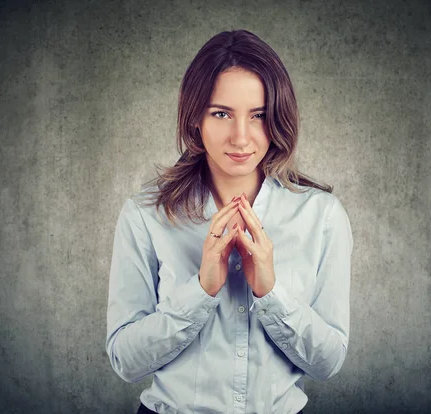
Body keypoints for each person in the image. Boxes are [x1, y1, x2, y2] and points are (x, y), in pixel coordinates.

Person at [106, 29, 353, 414]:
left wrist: (271, 293)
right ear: (195, 120)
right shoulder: (145, 214)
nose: (241, 137)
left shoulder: (321, 216)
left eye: (258, 116)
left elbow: (328, 362)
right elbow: (125, 360)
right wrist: (200, 291)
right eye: (221, 113)